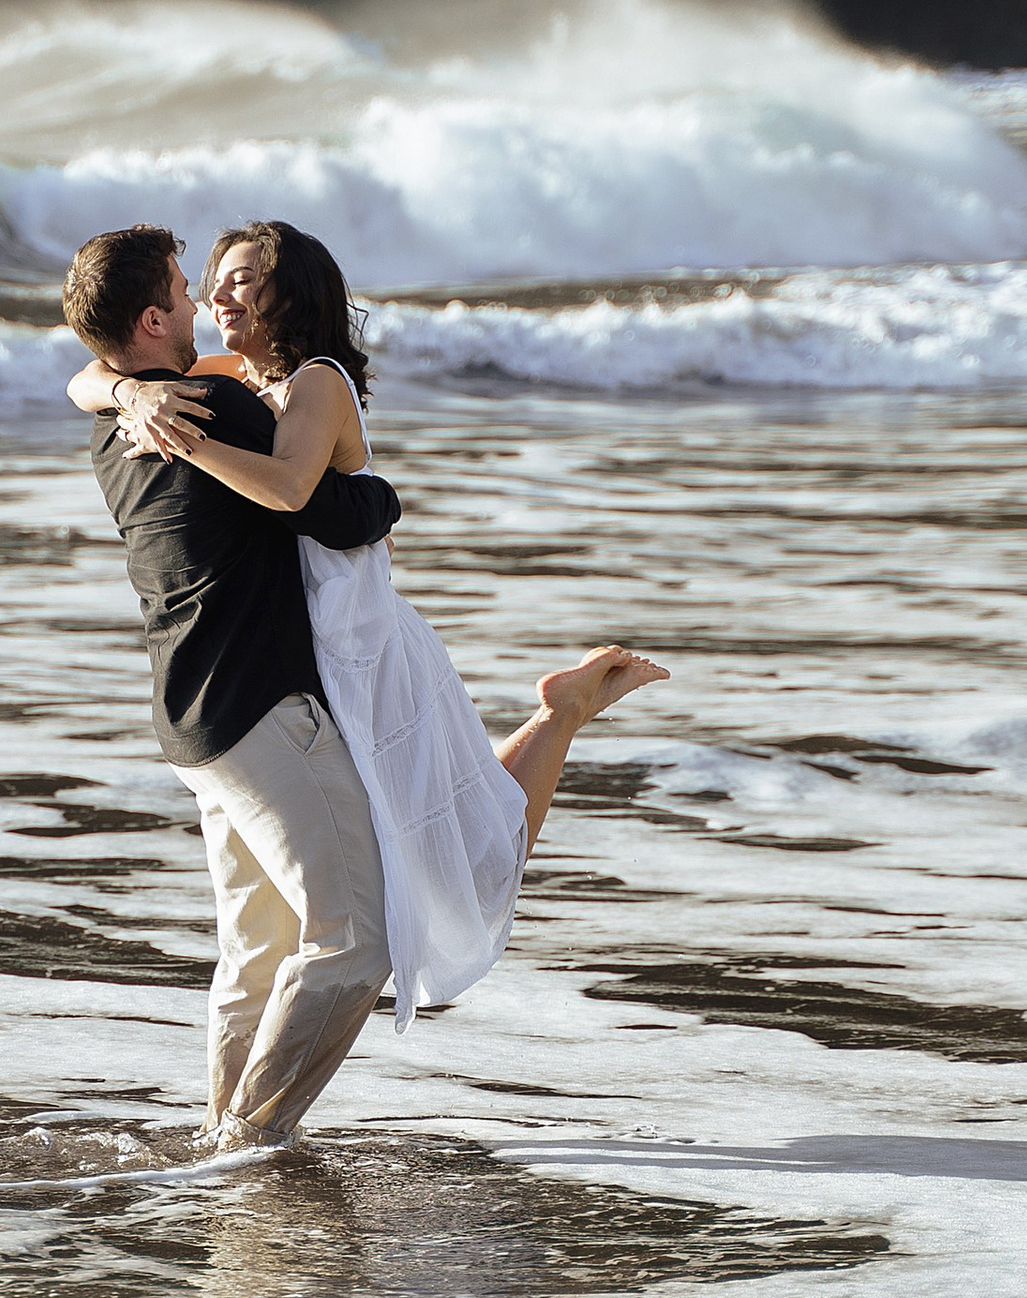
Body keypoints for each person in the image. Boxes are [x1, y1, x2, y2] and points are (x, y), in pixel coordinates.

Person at [63, 217, 663, 1148]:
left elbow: (311, 494)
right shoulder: (198, 398)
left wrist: (135, 402)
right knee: (337, 925)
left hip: (343, 662)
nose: (213, 297)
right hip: (281, 689)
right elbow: (331, 501)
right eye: (199, 285)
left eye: (237, 281)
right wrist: (123, 391)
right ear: (151, 320)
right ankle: (239, 1141)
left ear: (290, 294)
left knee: (435, 853)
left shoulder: (274, 392)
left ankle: (237, 1141)